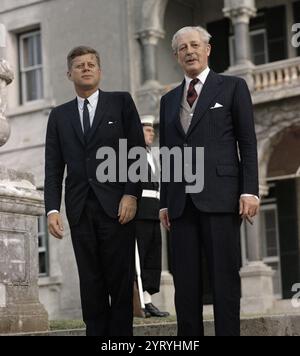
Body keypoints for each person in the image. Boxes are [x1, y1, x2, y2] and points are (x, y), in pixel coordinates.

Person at [159, 27, 260, 336]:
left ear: (207, 50)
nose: (189, 51)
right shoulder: (168, 100)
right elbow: (167, 154)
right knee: (185, 283)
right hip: (180, 202)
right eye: (182, 48)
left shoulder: (232, 87)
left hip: (221, 196)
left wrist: (250, 190)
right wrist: (164, 202)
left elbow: (247, 141)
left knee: (224, 279)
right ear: (176, 56)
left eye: (195, 45)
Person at [44, 46, 145, 336]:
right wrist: (52, 209)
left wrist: (131, 194)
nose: (86, 68)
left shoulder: (121, 103)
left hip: (117, 207)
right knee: (90, 282)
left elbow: (136, 151)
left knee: (120, 280)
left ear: (99, 71)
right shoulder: (59, 116)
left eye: (91, 64)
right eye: (79, 65)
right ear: (69, 73)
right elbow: (53, 167)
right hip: (79, 210)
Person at [135, 116, 170, 318]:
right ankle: (140, 302)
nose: (152, 133)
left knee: (151, 258)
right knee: (139, 259)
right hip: (139, 212)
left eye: (152, 130)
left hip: (153, 211)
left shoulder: (151, 155)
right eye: (147, 130)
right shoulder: (130, 155)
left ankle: (148, 300)